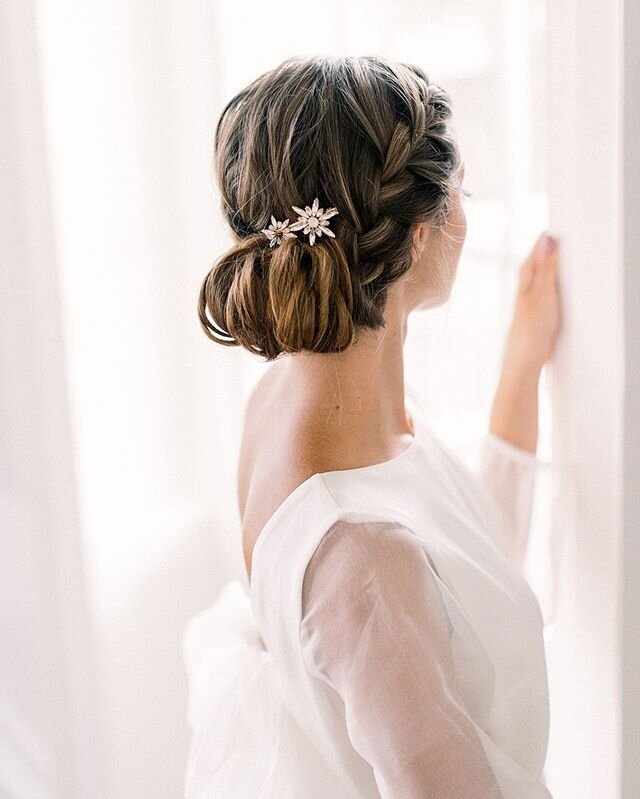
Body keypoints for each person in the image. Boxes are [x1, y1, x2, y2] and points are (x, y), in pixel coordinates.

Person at [183, 54, 561, 798]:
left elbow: (462, 578)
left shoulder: (285, 401)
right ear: (420, 237)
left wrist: (523, 366)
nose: (468, 210)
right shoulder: (361, 557)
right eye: (462, 193)